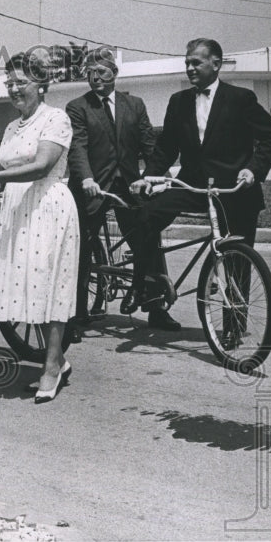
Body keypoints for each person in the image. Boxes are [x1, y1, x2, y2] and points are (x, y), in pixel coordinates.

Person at [127, 38, 271, 343]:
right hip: (193, 186)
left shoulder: (241, 98)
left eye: (196, 62)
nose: (189, 68)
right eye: (187, 62)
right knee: (146, 216)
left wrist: (253, 169)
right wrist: (150, 177)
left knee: (236, 260)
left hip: (234, 191)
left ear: (216, 63)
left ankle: (233, 329)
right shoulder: (179, 101)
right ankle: (144, 285)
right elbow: (165, 149)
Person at [0, 50, 79, 403]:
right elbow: (6, 179)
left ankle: (50, 368)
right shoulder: (13, 126)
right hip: (19, 210)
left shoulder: (56, 119)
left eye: (21, 82)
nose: (14, 89)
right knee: (29, 286)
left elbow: (42, 166)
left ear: (42, 84)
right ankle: (57, 359)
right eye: (9, 82)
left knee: (49, 284)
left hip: (48, 207)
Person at [66, 47, 179, 332]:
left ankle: (155, 306)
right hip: (93, 187)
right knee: (79, 247)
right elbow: (77, 147)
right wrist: (86, 179)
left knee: (148, 239)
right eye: (90, 74)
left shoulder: (135, 105)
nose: (95, 79)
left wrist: (159, 177)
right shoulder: (78, 107)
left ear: (115, 73)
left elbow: (150, 146)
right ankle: (77, 316)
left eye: (101, 72)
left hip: (129, 186)